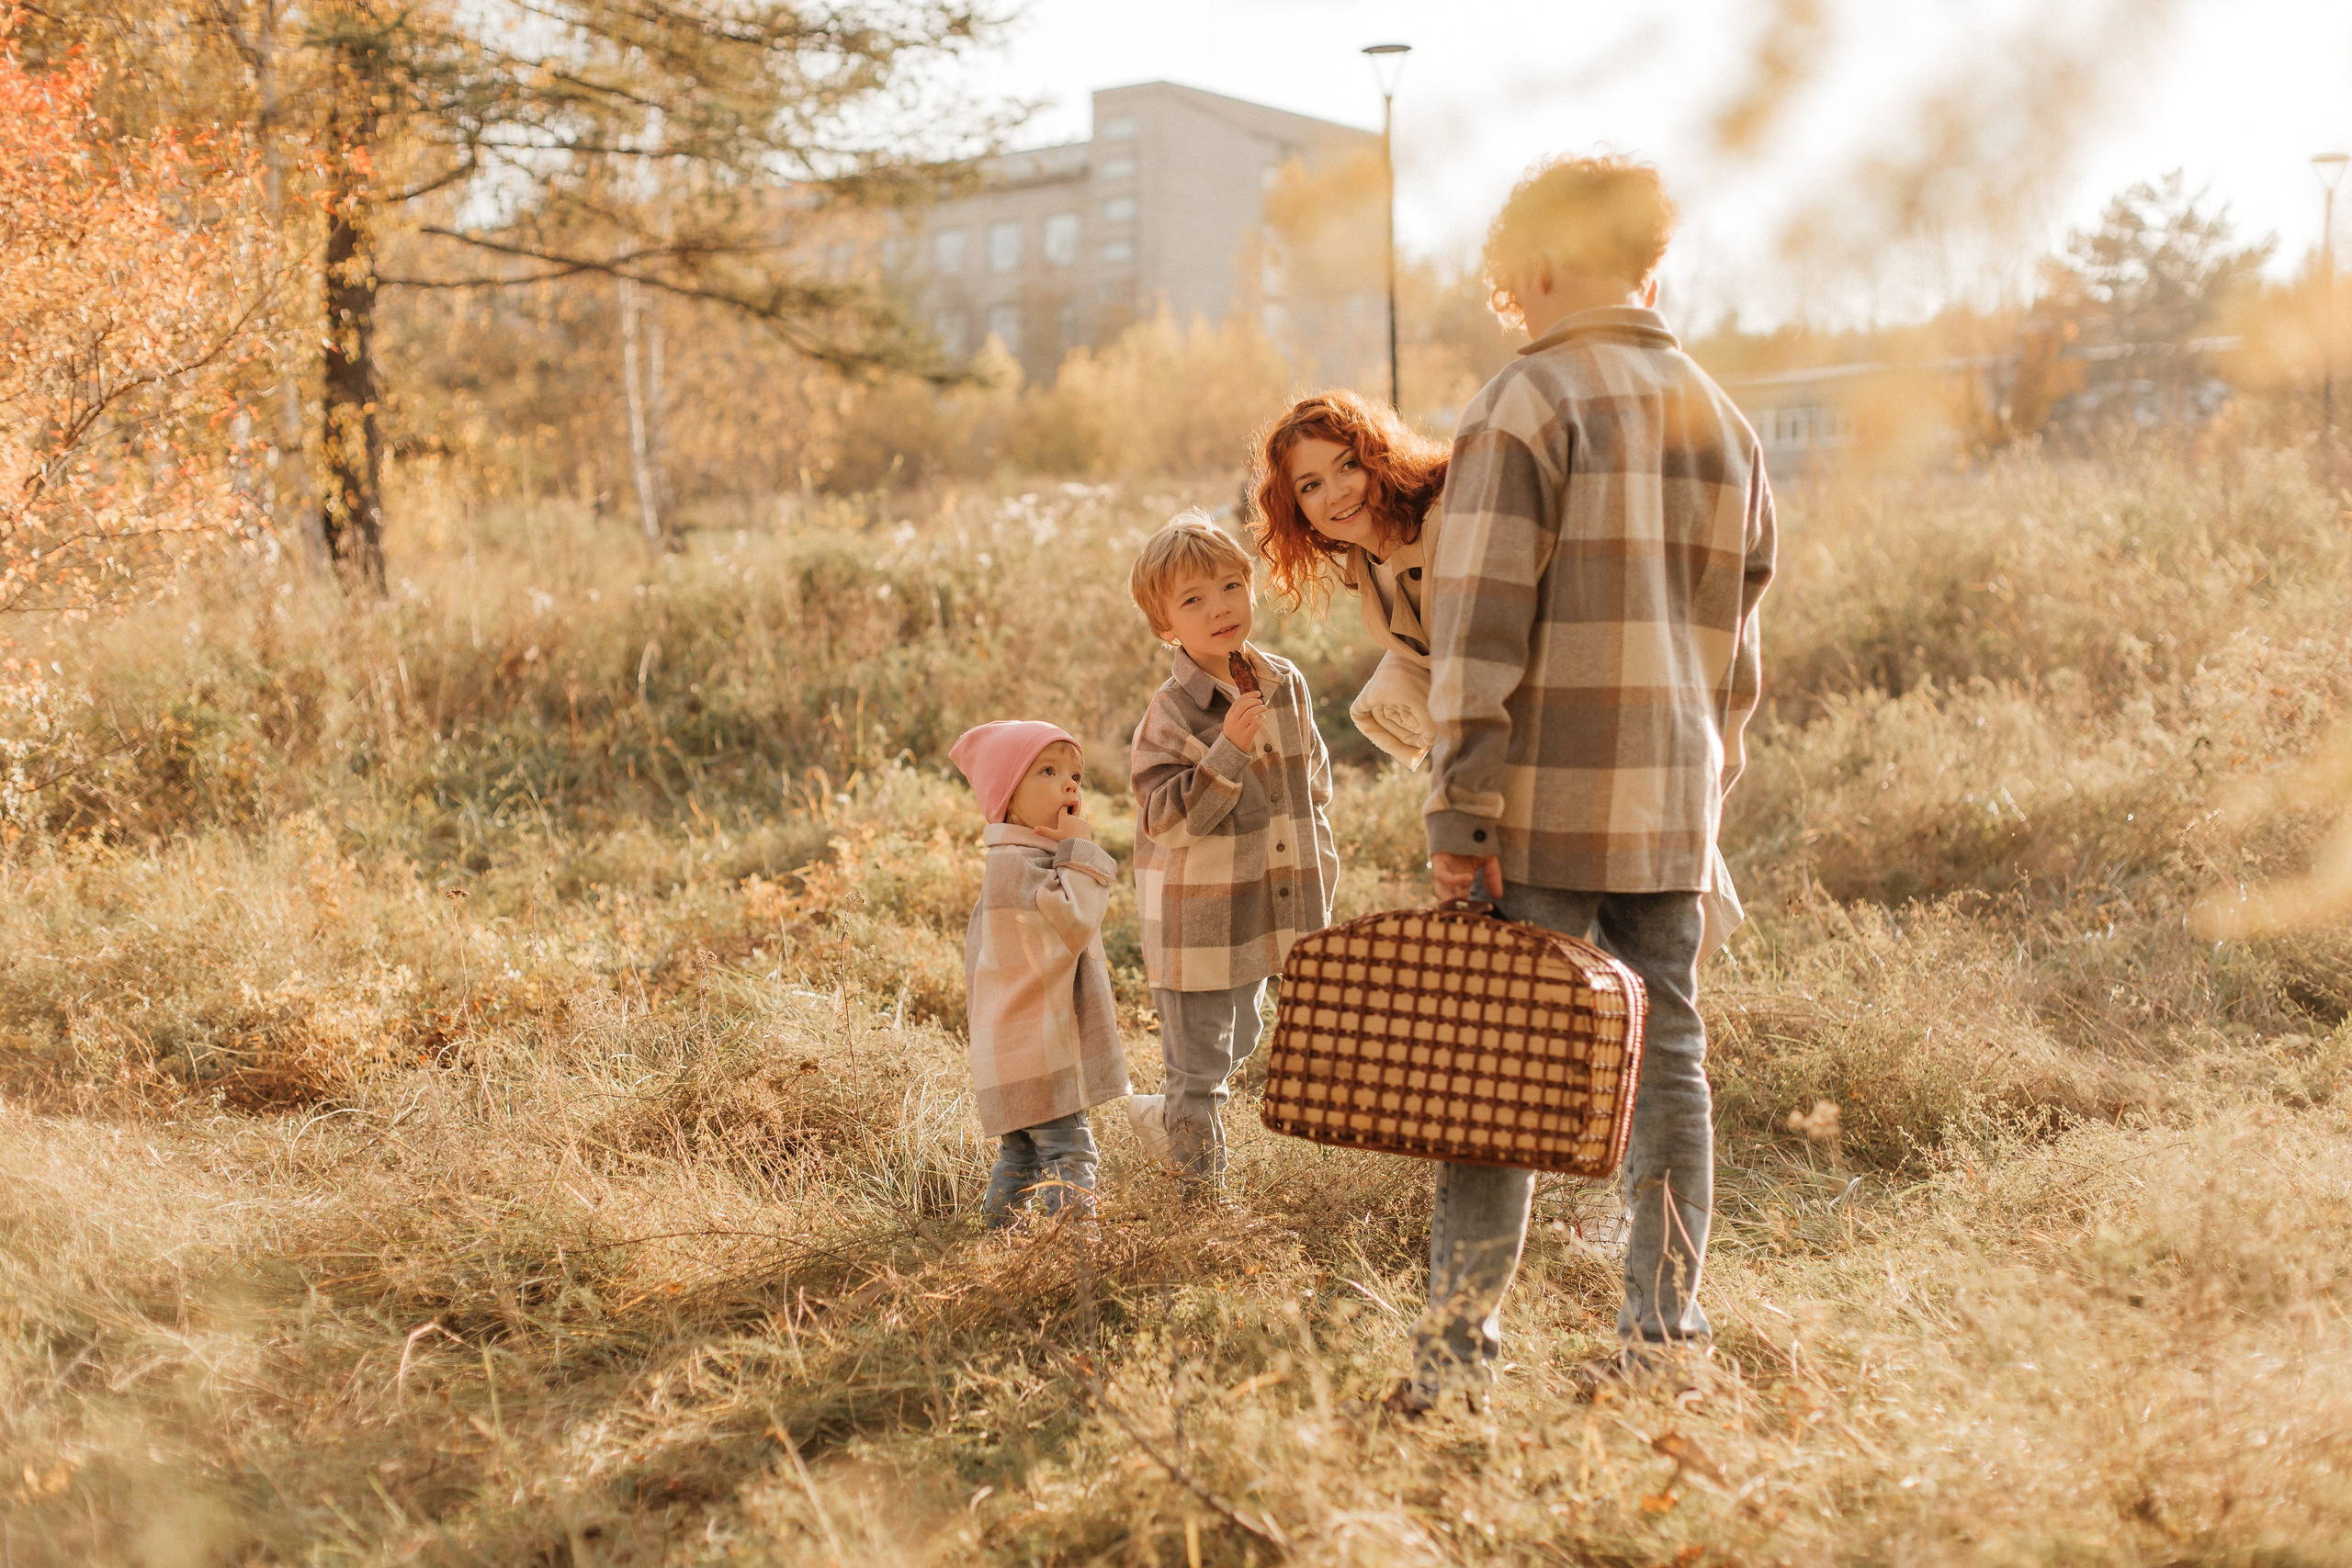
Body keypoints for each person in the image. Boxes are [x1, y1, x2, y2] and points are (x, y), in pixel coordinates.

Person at [1408, 154, 1778, 1406]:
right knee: (1670, 1059)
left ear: (1540, 263)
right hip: (1672, 807)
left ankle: (1457, 1363)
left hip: (1538, 809)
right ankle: (1663, 1340)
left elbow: (1478, 630)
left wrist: (1459, 808)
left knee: (1497, 1075)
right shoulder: (1721, 416)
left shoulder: (1525, 403)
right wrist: (1703, 798)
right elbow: (1738, 654)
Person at [1127, 511, 1339, 1189]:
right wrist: (1228, 753)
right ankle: (1198, 1206)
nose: (1219, 607)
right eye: (1193, 600)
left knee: (1242, 1039)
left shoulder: (1285, 681)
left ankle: (1159, 1119)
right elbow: (1164, 817)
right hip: (1202, 919)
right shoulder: (1173, 713)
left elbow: (1312, 786)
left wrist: (1319, 874)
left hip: (1272, 904)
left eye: (1230, 586)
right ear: (1167, 627)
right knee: (1201, 1068)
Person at [949, 719, 1130, 1228]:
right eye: (1048, 771)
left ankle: (996, 1234)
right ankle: (1074, 1248)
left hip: (1016, 1052)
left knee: (1024, 1158)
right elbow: (1073, 922)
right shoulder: (1017, 865)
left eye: (1077, 775)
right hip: (1037, 1050)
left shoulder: (1020, 859)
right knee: (1072, 1154)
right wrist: (1081, 851)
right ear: (1007, 794)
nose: (1070, 784)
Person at [1249, 390, 1450, 768]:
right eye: (1311, 486)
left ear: (1379, 458)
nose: (1336, 494)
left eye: (1348, 466)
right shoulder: (1363, 564)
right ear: (1297, 507)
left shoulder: (1444, 522)